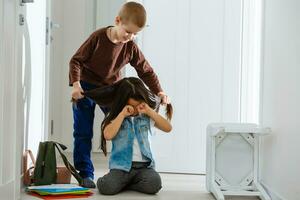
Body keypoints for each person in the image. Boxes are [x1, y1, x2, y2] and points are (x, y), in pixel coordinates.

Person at [69, 2, 170, 188]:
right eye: (128, 32)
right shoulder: (98, 38)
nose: (130, 37)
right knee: (83, 131)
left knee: (121, 124)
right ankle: (85, 174)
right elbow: (76, 61)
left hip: (112, 89)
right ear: (118, 21)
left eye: (135, 34)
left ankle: (122, 170)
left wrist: (159, 91)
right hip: (86, 88)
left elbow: (145, 70)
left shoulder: (130, 46)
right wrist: (76, 85)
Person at [84, 77, 173, 195]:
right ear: (123, 103)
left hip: (144, 168)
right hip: (121, 167)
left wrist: (149, 111)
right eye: (132, 106)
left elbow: (168, 128)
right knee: (107, 187)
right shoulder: (117, 117)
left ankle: (127, 184)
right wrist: (122, 115)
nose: (136, 110)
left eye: (139, 105)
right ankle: (121, 182)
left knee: (154, 183)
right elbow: (107, 135)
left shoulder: (146, 117)